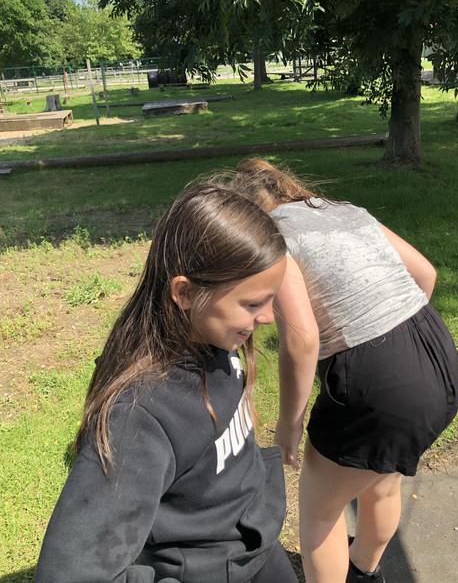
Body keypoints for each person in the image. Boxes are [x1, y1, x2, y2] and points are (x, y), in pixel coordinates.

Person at [35, 183, 299, 583]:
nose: (267, 318)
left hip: (257, 550)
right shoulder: (138, 417)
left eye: (270, 299)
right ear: (185, 293)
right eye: (251, 304)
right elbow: (70, 572)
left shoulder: (218, 338)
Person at [228, 159, 458, 583]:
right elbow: (426, 273)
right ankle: (363, 572)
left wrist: (290, 425)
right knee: (380, 480)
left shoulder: (273, 236)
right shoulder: (346, 211)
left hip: (379, 378)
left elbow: (301, 341)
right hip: (435, 350)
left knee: (320, 509)